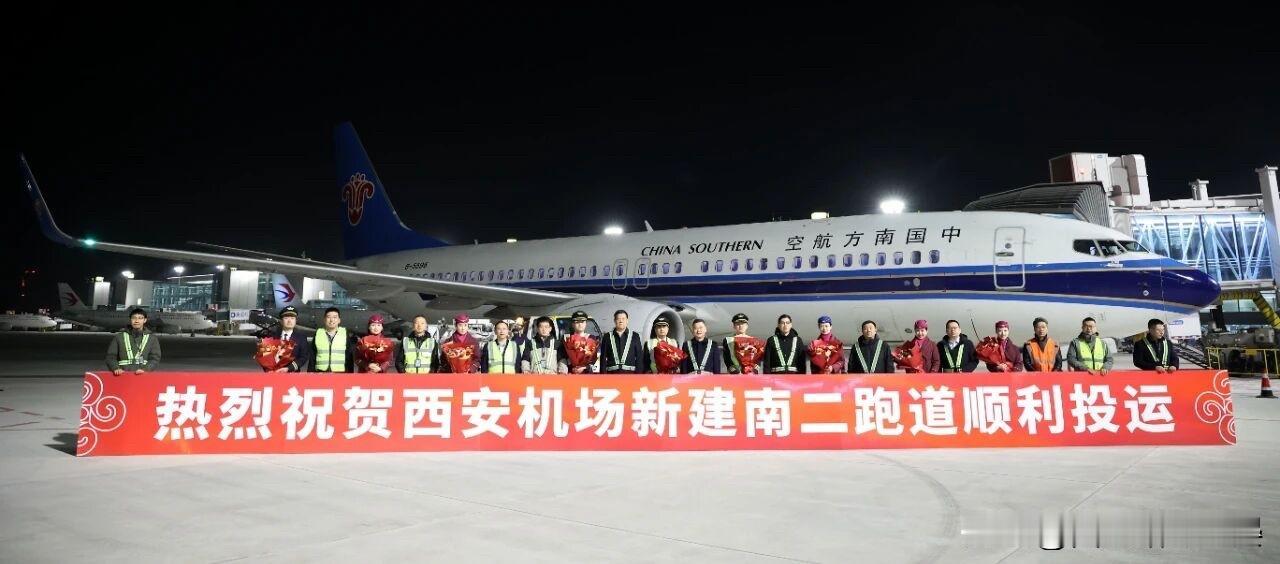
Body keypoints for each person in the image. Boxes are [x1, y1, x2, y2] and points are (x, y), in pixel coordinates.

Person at [106, 308, 161, 375]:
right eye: (134, 318)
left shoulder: (152, 338)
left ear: (145, 320)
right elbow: (111, 357)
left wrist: (146, 369)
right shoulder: (119, 337)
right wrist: (115, 368)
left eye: (140, 318)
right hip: (122, 375)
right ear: (130, 320)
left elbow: (155, 358)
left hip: (142, 375)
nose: (136, 321)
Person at [263, 306, 308, 373]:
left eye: (292, 318)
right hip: (273, 374)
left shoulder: (301, 338)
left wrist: (289, 368)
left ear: (296, 321)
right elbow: (265, 356)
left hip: (293, 374)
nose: (289, 321)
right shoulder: (271, 336)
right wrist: (269, 369)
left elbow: (303, 358)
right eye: (286, 318)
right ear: (281, 321)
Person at [310, 307, 354, 373]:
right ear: (324, 320)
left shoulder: (344, 334)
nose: (331, 320)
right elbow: (312, 356)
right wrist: (310, 373)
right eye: (328, 317)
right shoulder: (318, 334)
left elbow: (349, 356)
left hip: (340, 374)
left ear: (339, 320)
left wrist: (350, 375)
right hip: (320, 373)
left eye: (335, 317)